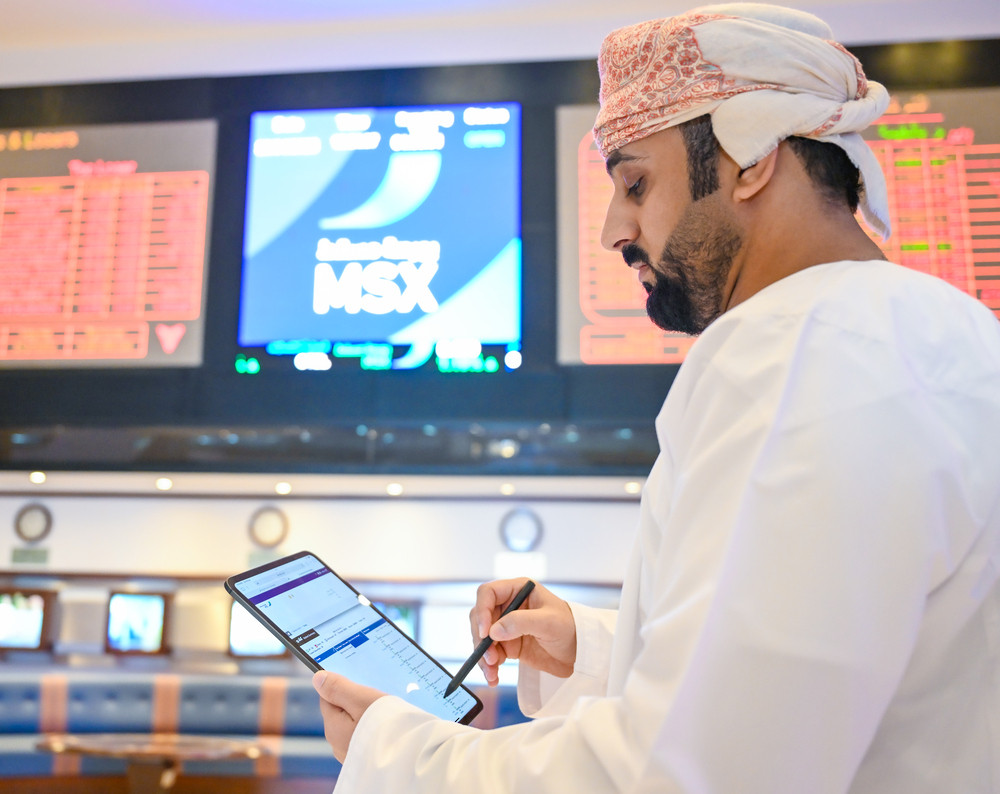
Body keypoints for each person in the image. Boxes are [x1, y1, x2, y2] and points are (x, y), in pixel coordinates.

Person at [312, 4, 1000, 791]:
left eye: (635, 183)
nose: (614, 229)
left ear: (752, 158)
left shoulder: (795, 347)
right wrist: (592, 649)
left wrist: (397, 751)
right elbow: (824, 680)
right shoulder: (951, 327)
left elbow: (696, 771)